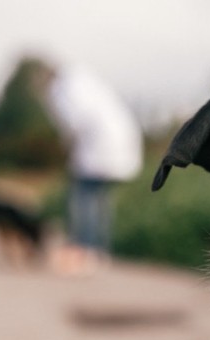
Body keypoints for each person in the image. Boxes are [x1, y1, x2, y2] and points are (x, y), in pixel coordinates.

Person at [44, 65, 143, 275]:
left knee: (83, 200)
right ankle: (99, 252)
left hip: (97, 149)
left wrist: (67, 147)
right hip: (117, 145)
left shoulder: (61, 89)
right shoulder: (87, 82)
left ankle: (84, 253)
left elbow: (73, 123)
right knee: (100, 201)